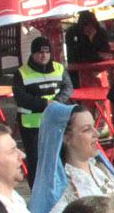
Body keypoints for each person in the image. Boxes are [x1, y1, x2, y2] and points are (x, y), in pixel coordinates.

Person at [11, 36, 71, 181]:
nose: (43, 56)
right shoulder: (21, 72)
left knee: (61, 157)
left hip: (56, 121)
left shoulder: (59, 68)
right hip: (32, 125)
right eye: (39, 53)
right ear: (32, 54)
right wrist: (44, 104)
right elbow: (21, 98)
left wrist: (57, 101)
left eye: (46, 52)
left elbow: (68, 88)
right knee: (36, 162)